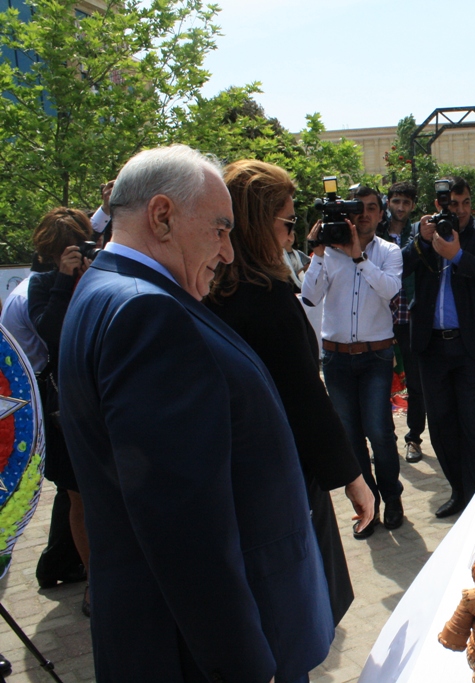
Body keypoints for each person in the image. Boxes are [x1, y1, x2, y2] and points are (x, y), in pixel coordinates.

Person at [58, 145, 334, 681]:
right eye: (219, 229)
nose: (228, 252)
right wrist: (244, 664)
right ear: (162, 216)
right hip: (197, 650)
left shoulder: (106, 289)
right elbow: (185, 531)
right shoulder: (148, 312)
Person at [205, 159, 375, 626]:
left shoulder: (209, 288)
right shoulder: (265, 297)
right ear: (260, 224)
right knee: (300, 609)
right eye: (288, 221)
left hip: (237, 476)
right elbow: (304, 395)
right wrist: (353, 477)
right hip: (280, 475)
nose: (293, 234)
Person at [302, 185, 404, 538]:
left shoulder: (389, 251)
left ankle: (392, 497)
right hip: (336, 358)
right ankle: (367, 506)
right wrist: (317, 254)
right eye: (357, 208)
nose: (364, 214)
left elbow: (391, 290)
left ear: (380, 213)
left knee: (380, 432)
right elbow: (310, 297)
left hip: (376, 356)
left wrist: (359, 257)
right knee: (350, 437)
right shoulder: (329, 253)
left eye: (371, 208)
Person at [404, 176, 475, 517]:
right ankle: (459, 492)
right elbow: (400, 267)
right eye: (453, 204)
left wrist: (458, 255)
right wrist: (422, 240)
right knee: (441, 425)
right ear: (440, 204)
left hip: (469, 346)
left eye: (466, 203)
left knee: (474, 424)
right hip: (431, 346)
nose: (460, 210)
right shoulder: (424, 232)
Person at [27, 208, 95, 615]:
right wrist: (64, 282)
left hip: (103, 396)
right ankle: (93, 583)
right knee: (78, 497)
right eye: (63, 250)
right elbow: (50, 331)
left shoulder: (100, 274)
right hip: (64, 402)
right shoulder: (41, 285)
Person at [378, 181, 428, 464]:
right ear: (388, 202)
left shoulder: (418, 234)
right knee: (381, 383)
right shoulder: (376, 232)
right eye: (396, 201)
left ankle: (414, 439)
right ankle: (385, 441)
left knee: (416, 383)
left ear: (412, 206)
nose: (400, 207)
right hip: (380, 318)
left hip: (410, 316)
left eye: (406, 202)